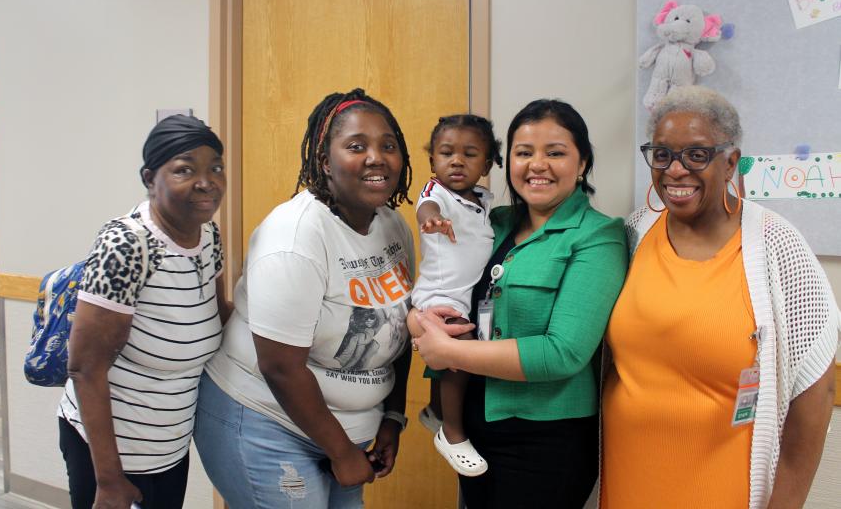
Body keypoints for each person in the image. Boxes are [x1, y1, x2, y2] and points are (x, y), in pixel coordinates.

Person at [601, 86, 839, 509]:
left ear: (730, 162)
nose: (675, 170)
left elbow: (816, 388)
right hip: (628, 475)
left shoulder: (776, 245)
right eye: (662, 154)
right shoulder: (634, 232)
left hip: (723, 483)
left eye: (696, 155)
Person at [196, 88, 415, 509]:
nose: (377, 157)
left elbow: (399, 328)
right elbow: (280, 367)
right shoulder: (295, 238)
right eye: (356, 146)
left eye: (389, 145)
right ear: (324, 160)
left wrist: (393, 416)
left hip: (349, 433)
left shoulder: (393, 226)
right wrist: (342, 453)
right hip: (265, 419)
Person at [411, 100, 628, 509]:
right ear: (506, 160)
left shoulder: (599, 237)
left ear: (582, 163)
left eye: (556, 153)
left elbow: (563, 353)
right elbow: (443, 280)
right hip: (475, 426)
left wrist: (450, 350)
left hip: (545, 440)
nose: (537, 165)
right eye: (524, 153)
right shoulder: (492, 221)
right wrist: (416, 320)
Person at [58, 114, 233, 509]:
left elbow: (219, 314)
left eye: (216, 168)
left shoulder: (209, 235)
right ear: (149, 178)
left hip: (168, 448)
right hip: (109, 456)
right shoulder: (125, 244)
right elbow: (85, 368)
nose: (207, 182)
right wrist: (109, 480)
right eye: (184, 169)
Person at [410, 114, 503, 476]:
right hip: (440, 296)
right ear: (433, 161)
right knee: (458, 354)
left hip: (464, 293)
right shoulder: (437, 194)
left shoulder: (482, 199)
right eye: (446, 153)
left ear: (488, 162)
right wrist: (431, 220)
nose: (457, 161)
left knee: (454, 354)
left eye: (470, 153)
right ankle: (452, 433)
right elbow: (426, 208)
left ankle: (434, 412)